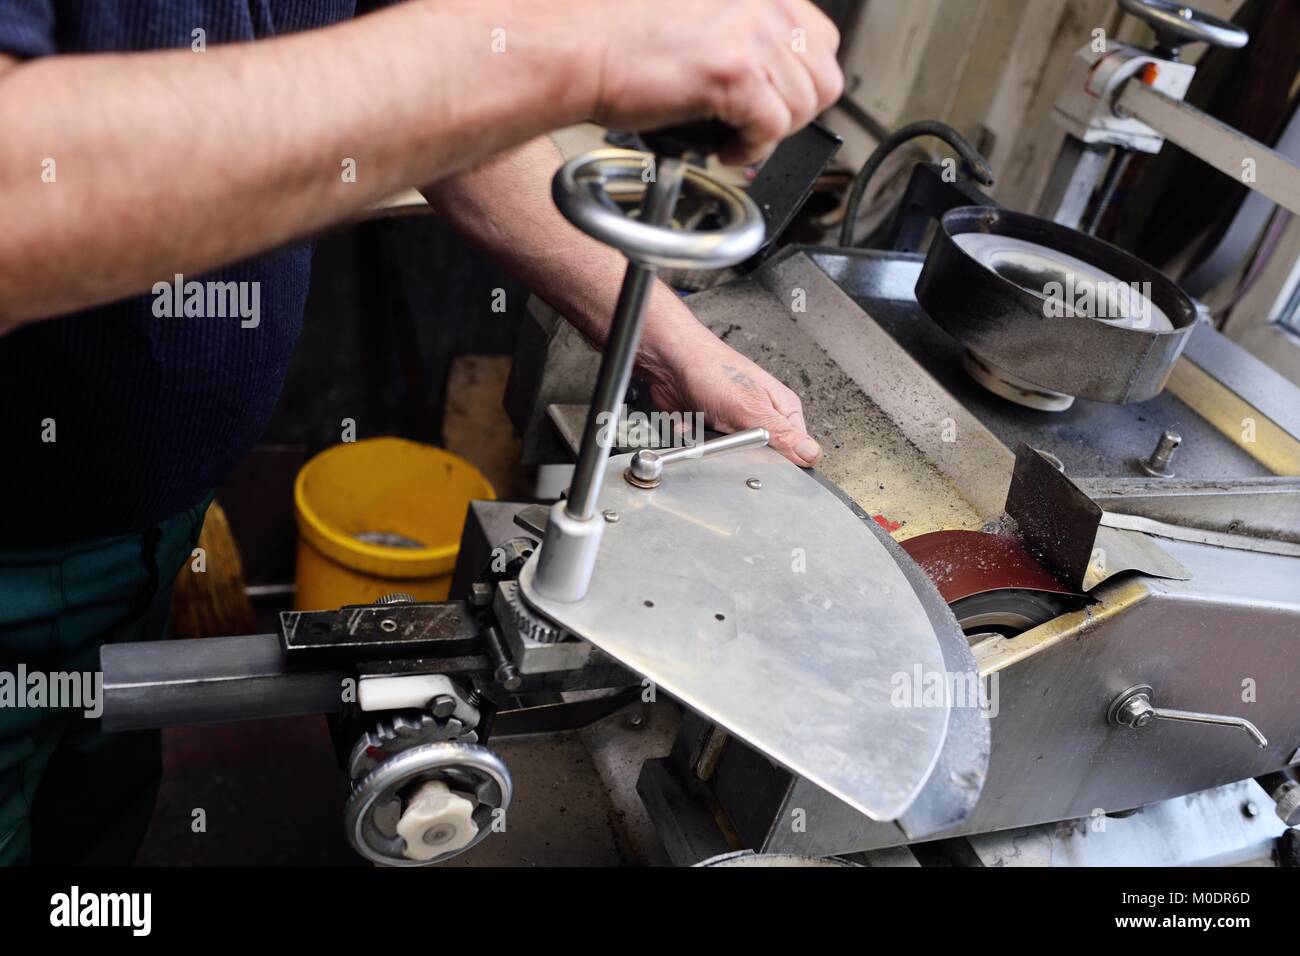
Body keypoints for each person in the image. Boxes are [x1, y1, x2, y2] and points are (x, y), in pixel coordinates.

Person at [0, 0, 843, 864]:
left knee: (88, 816)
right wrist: (567, 54)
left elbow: (453, 117)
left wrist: (671, 347)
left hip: (145, 524)